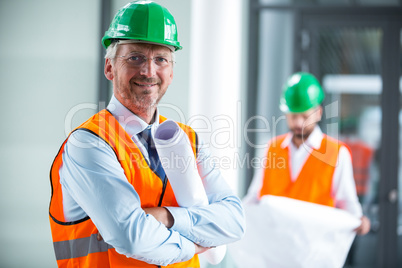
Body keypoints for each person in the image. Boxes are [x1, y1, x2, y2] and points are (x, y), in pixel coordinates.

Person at [48, 1, 245, 267]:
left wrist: (167, 217)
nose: (148, 71)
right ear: (109, 67)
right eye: (135, 57)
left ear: (171, 72)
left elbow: (234, 220)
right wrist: (196, 245)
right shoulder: (88, 143)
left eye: (160, 59)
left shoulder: (187, 139)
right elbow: (132, 237)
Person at [244, 72, 371, 235]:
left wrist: (358, 220)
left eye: (304, 116)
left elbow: (347, 203)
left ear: (318, 113)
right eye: (293, 116)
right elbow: (254, 197)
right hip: (274, 244)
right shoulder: (271, 149)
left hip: (314, 247)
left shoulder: (337, 153)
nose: (298, 123)